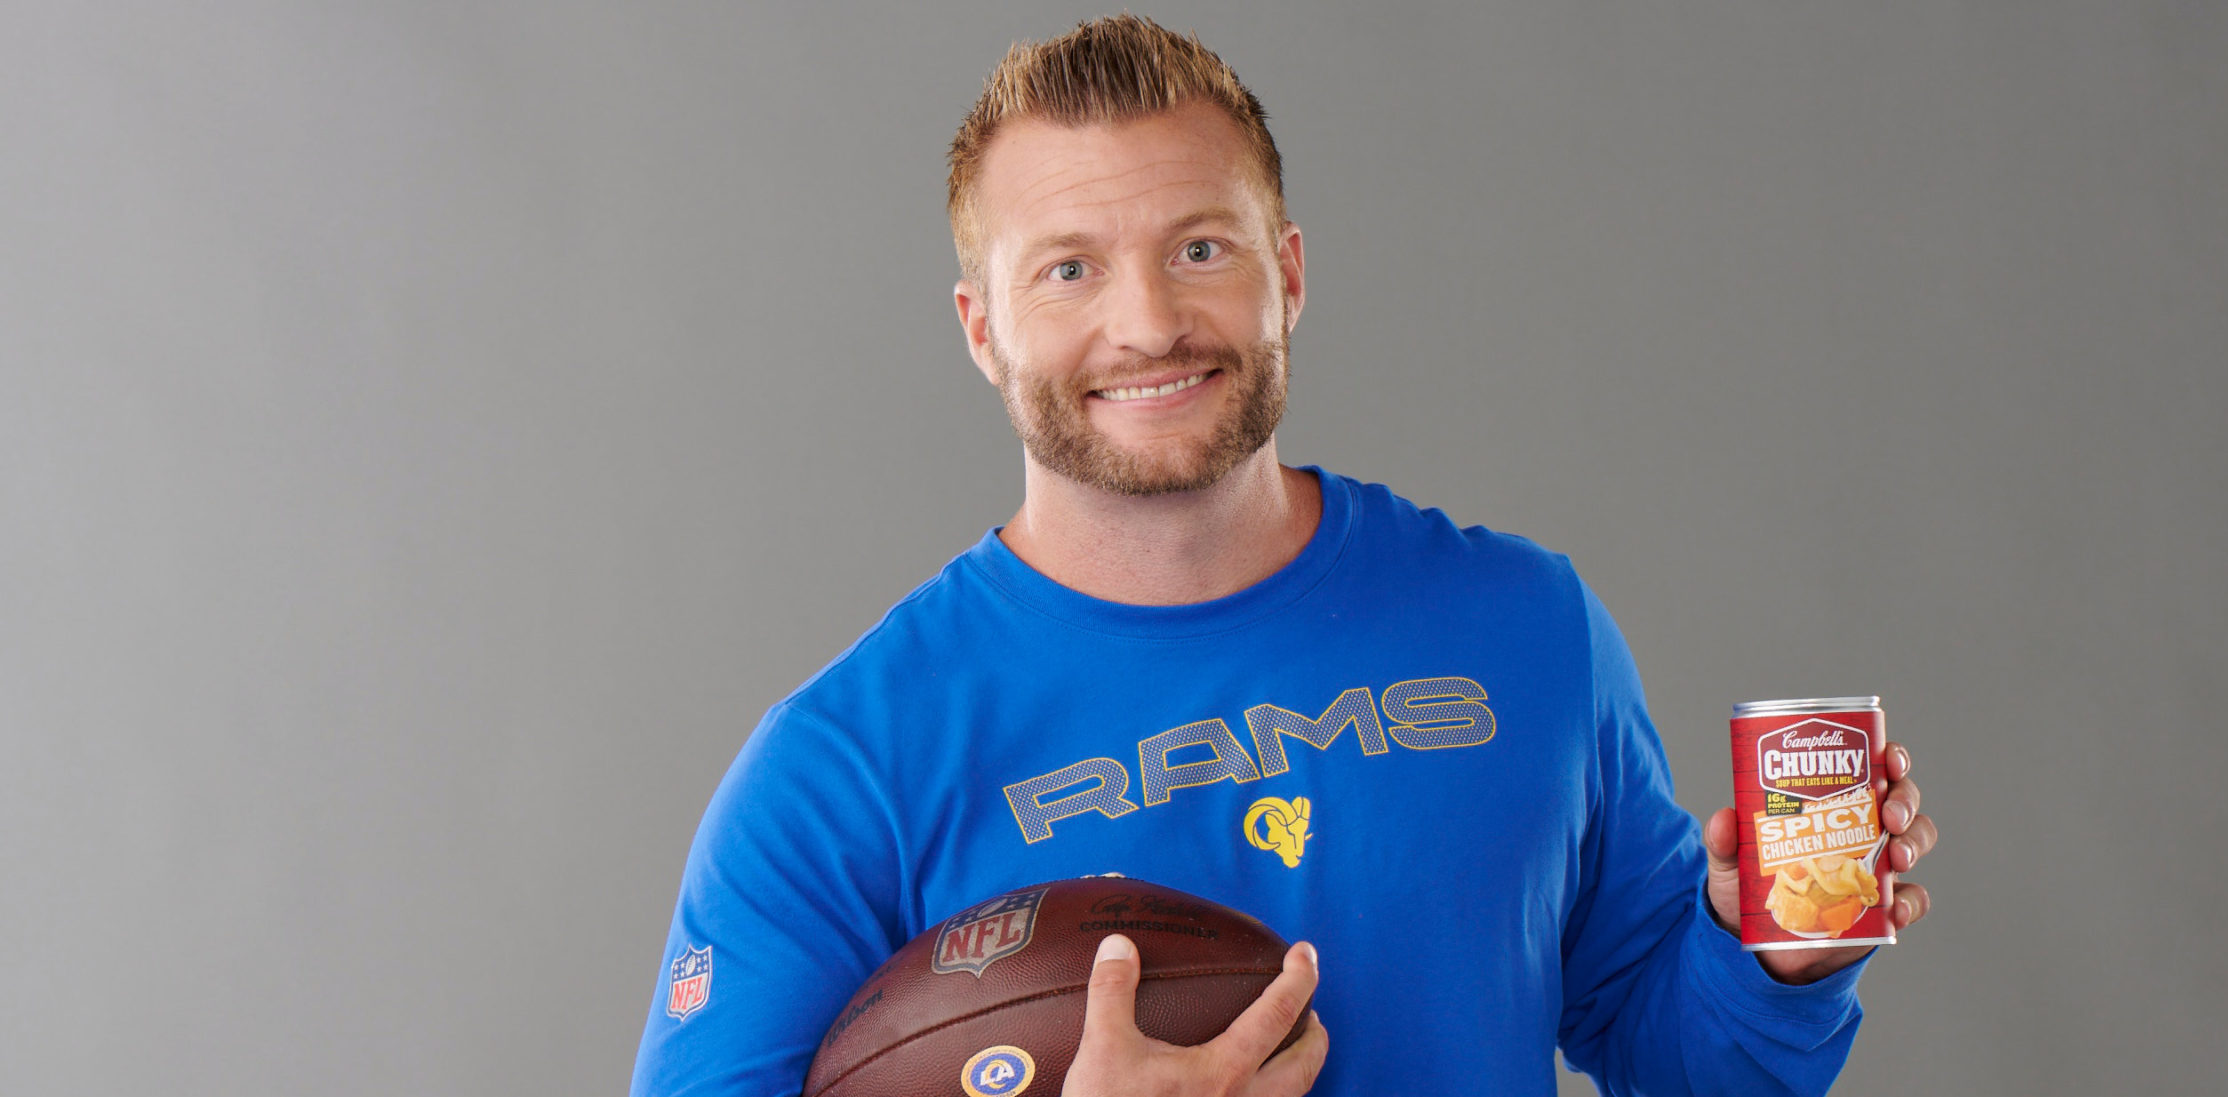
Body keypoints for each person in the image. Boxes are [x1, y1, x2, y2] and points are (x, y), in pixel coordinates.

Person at [630, 15, 1936, 1097]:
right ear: (982, 329)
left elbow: (1689, 1063)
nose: (1147, 323)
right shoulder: (842, 764)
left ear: (1288, 273)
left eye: (1201, 248)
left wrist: (1774, 952)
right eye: (1070, 270)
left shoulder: (1526, 627)